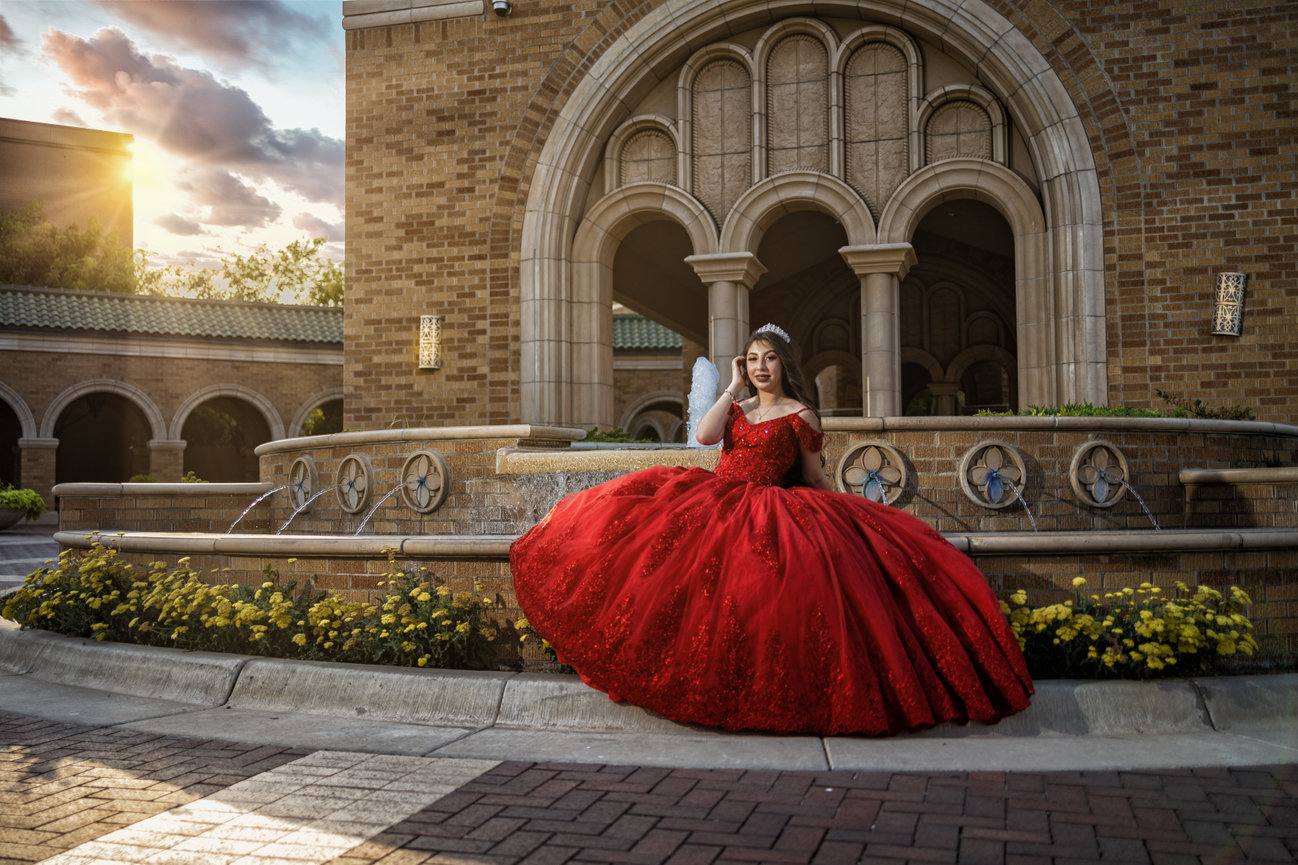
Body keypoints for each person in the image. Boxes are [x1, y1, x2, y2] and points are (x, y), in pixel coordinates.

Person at [509, 323, 1033, 736]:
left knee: (759, 593)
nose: (761, 367)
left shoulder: (802, 414)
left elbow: (812, 477)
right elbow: (705, 435)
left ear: (785, 364)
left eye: (769, 359)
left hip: (770, 510)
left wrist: (854, 520)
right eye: (752, 359)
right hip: (712, 500)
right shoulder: (737, 408)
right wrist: (731, 386)